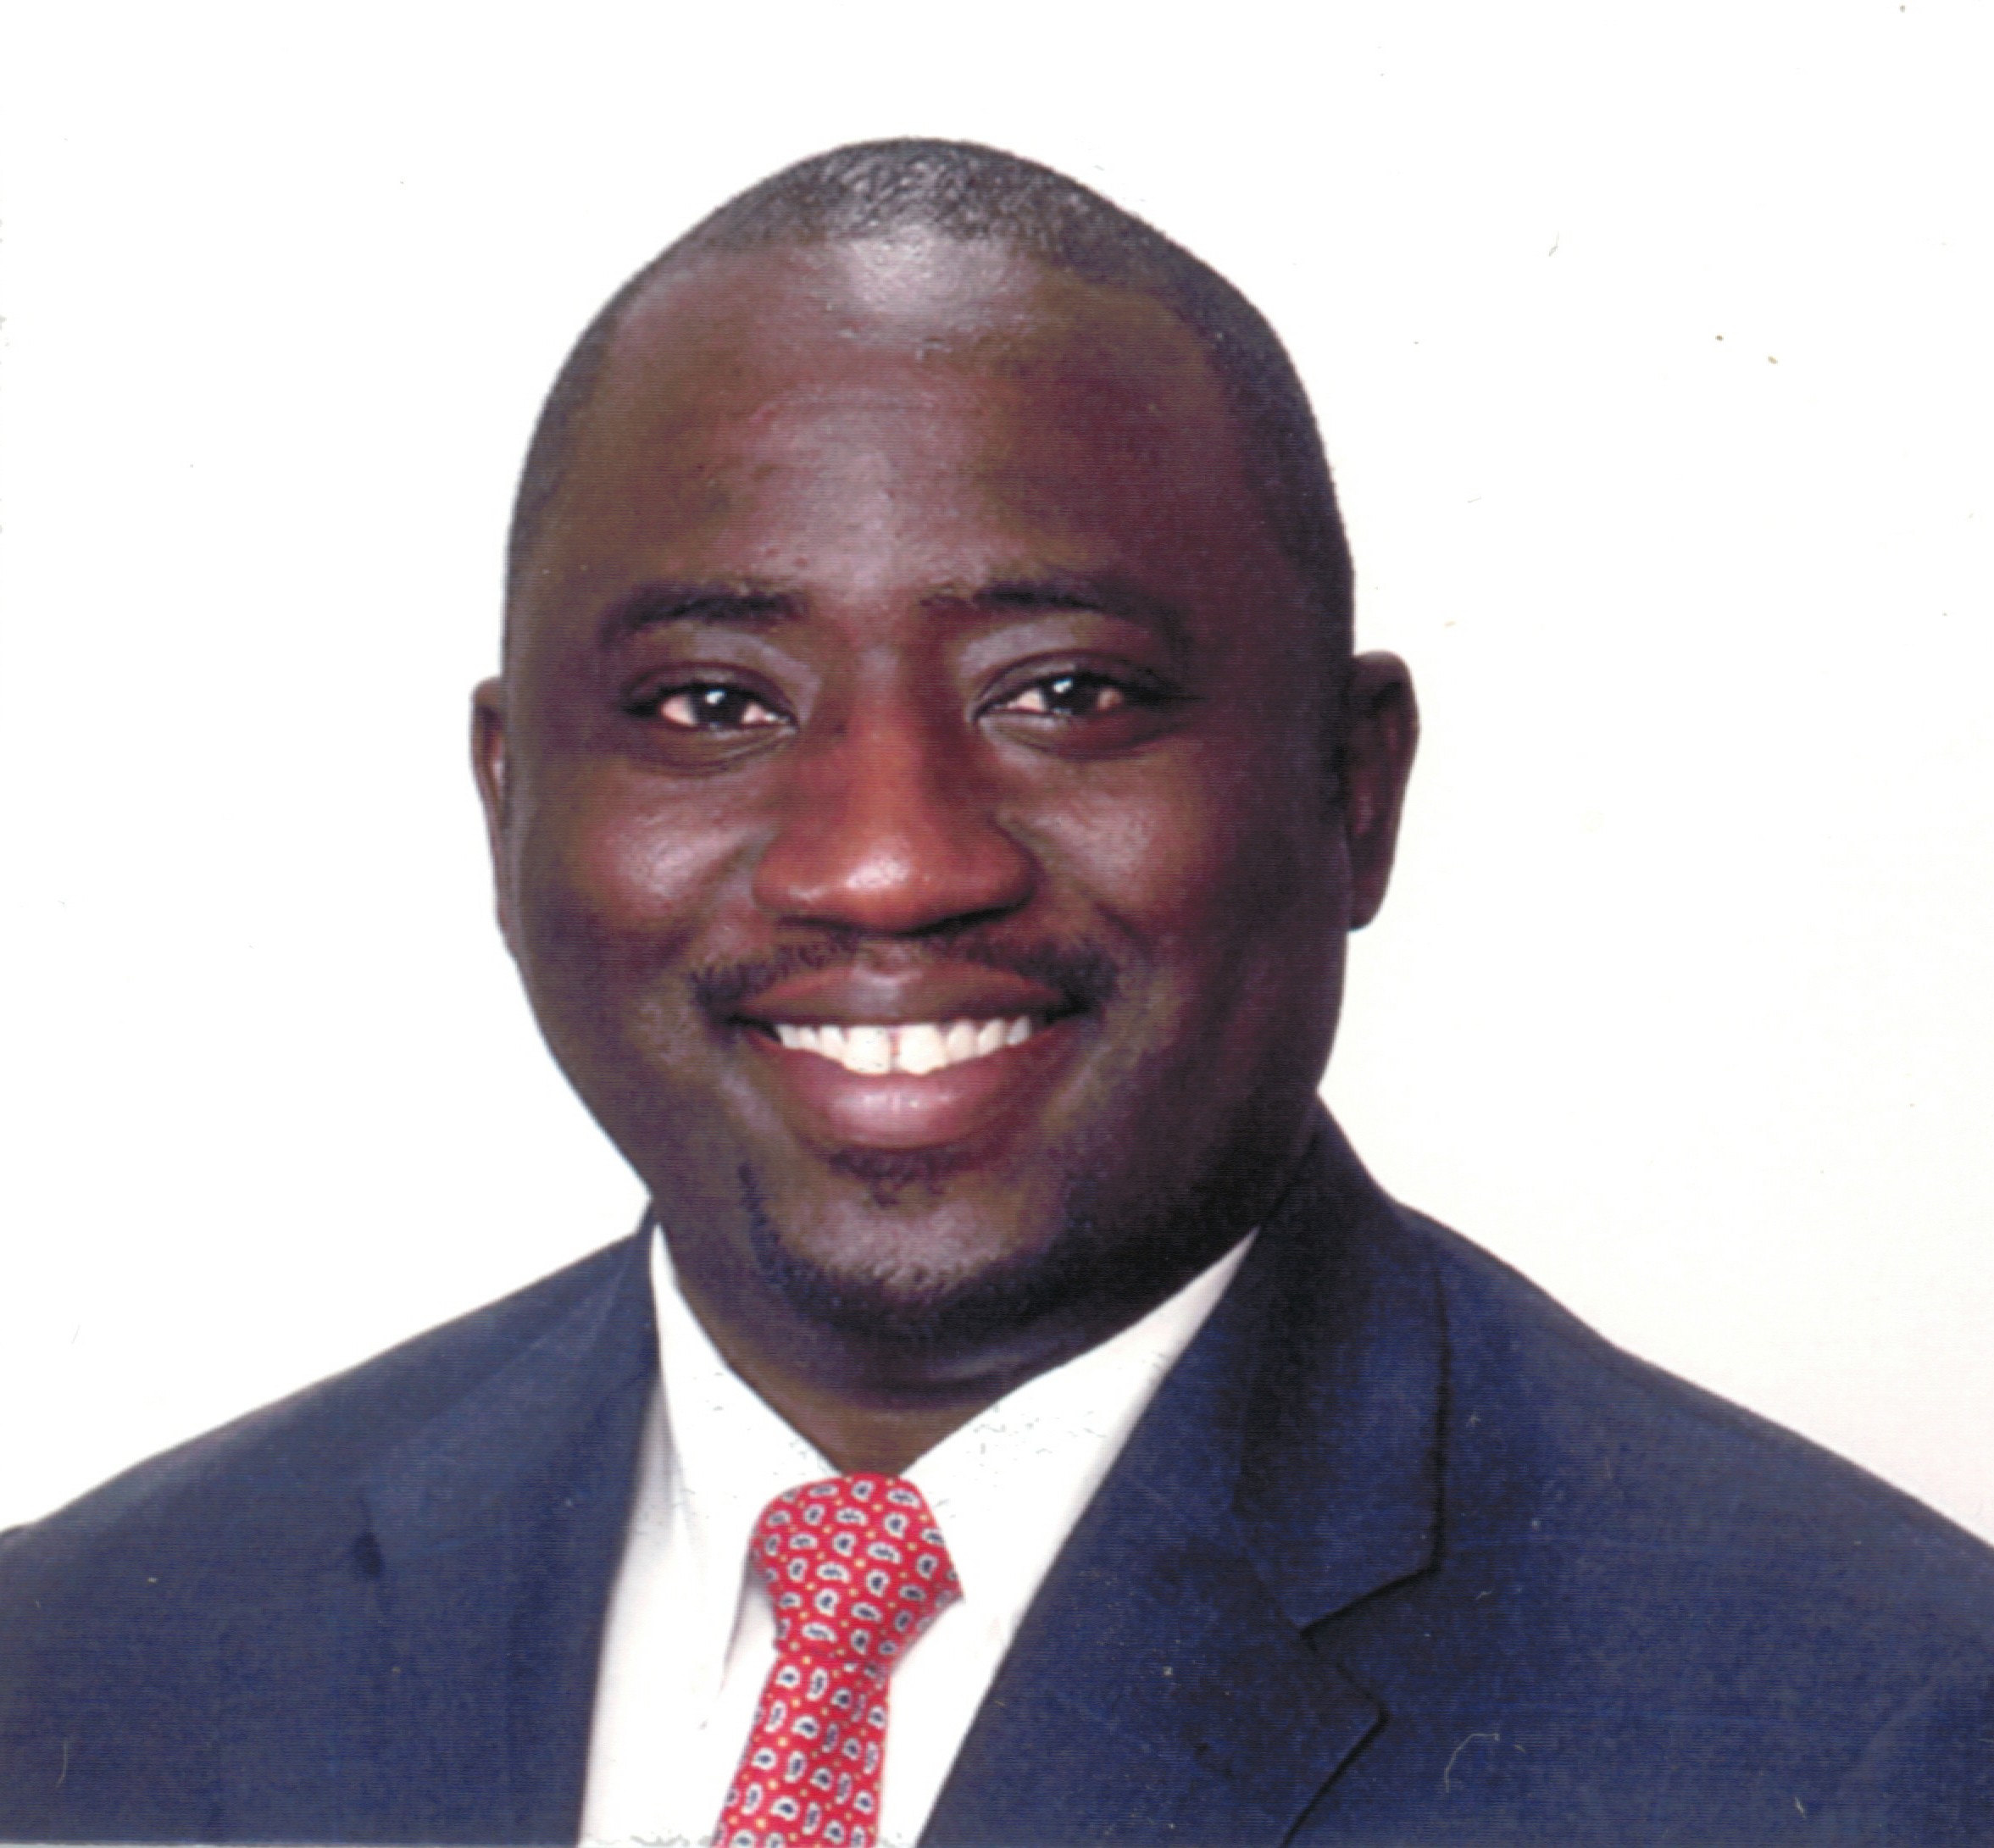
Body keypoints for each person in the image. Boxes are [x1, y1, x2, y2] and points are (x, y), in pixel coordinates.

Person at [2, 138, 1990, 1847]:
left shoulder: (1869, 1741)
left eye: (1066, 692)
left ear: (1350, 790)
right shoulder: (86, 1654)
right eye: (711, 705)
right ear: (508, 800)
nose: (888, 859)